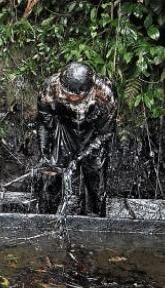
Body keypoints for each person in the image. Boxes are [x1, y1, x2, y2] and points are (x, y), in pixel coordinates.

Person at [35, 62, 117, 216]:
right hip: (64, 127)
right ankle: (49, 216)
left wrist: (81, 156)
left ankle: (94, 217)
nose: (72, 98)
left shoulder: (105, 93)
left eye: (77, 96)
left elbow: (106, 133)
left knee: (95, 175)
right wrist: (44, 153)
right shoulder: (50, 87)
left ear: (90, 89)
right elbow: (44, 123)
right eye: (67, 94)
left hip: (93, 131)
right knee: (53, 171)